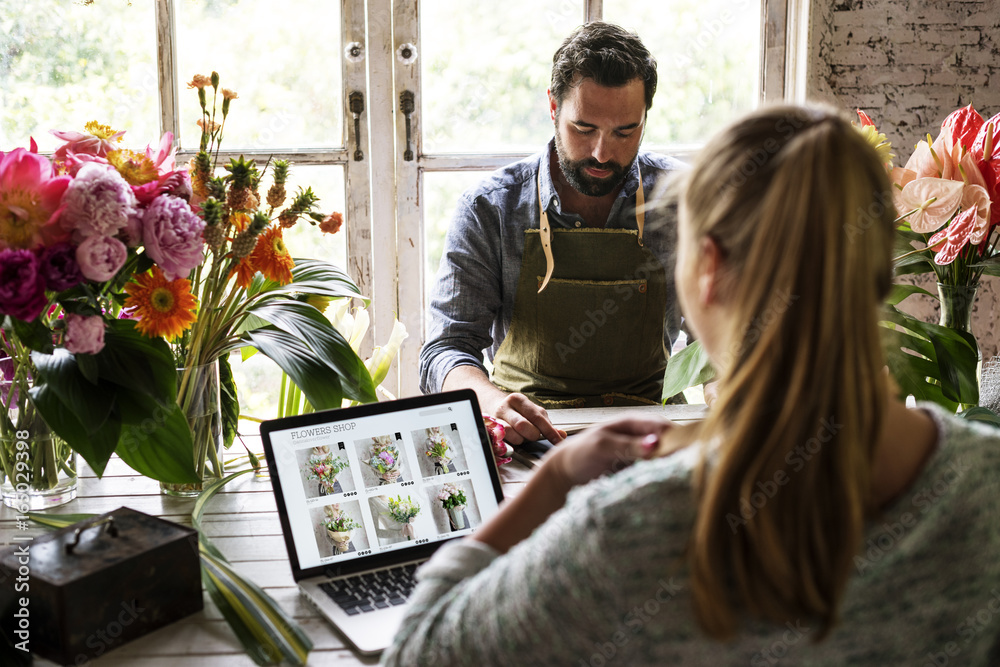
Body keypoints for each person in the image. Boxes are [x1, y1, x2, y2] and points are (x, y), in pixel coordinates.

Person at [382, 105, 1000, 665]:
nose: (603, 150)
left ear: (708, 267)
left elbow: (420, 652)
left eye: (624, 130)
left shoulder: (634, 528)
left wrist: (558, 478)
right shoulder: (986, 478)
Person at [419, 22, 685, 445]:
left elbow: (731, 331)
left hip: (652, 432)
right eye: (583, 128)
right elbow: (445, 351)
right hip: (529, 436)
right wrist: (490, 400)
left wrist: (722, 392)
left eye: (625, 131)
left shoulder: (685, 200)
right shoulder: (490, 207)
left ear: (646, 118)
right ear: (552, 107)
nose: (602, 152)